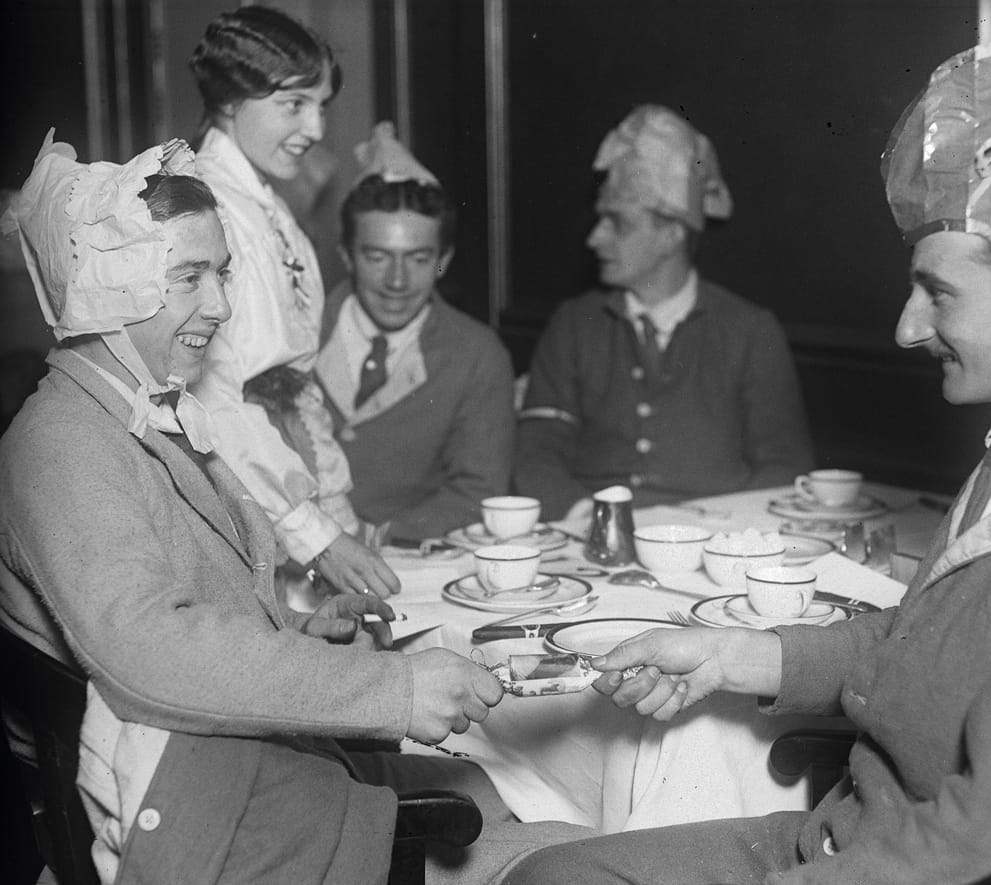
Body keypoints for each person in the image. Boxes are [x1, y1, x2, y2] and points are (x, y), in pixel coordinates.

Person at [503, 36, 991, 885]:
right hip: (853, 838)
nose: (907, 328)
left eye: (938, 293)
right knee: (548, 874)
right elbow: (918, 649)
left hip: (908, 866)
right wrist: (732, 655)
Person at [0, 135, 589, 884]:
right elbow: (150, 651)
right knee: (562, 837)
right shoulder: (64, 445)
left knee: (525, 796)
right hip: (213, 821)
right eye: (188, 277)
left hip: (230, 781)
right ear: (106, 288)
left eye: (221, 273)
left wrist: (303, 628)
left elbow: (166, 613)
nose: (218, 306)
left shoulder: (127, 416)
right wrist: (395, 689)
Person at [187, 5, 400, 599]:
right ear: (231, 99)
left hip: (280, 481)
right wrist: (318, 535)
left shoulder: (273, 212)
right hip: (231, 490)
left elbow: (297, 392)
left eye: (322, 105)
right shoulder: (206, 210)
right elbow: (217, 400)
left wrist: (336, 509)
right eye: (293, 104)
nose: (316, 128)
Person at [514, 104, 814, 520]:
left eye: (616, 223)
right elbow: (536, 456)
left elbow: (785, 470)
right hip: (590, 541)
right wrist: (592, 518)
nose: (594, 238)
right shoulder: (573, 325)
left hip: (714, 544)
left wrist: (716, 528)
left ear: (672, 234)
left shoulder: (750, 330)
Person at [317, 123, 516, 540]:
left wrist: (383, 537)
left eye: (419, 259)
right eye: (377, 257)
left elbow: (477, 489)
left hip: (403, 563)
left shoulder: (477, 354)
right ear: (346, 256)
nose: (397, 281)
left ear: (444, 259)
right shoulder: (295, 331)